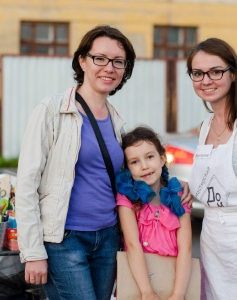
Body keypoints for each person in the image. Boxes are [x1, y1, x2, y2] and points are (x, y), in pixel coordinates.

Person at [15, 25, 192, 300]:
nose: (109, 67)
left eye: (118, 62)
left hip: (108, 239)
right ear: (83, 60)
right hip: (64, 240)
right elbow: (26, 183)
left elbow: (137, 175)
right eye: (100, 58)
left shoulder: (116, 121)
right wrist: (33, 251)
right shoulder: (52, 110)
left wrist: (178, 185)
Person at [115, 125, 192, 300]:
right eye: (134, 162)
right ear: (127, 168)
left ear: (162, 159)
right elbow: (132, 245)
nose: (144, 166)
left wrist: (178, 294)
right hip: (139, 284)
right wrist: (147, 292)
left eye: (149, 157)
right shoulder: (127, 198)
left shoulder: (178, 195)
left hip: (175, 281)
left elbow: (185, 248)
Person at [187, 38, 237, 299]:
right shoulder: (205, 126)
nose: (206, 80)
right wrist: (188, 188)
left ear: (233, 74)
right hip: (212, 240)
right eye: (198, 73)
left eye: (215, 71)